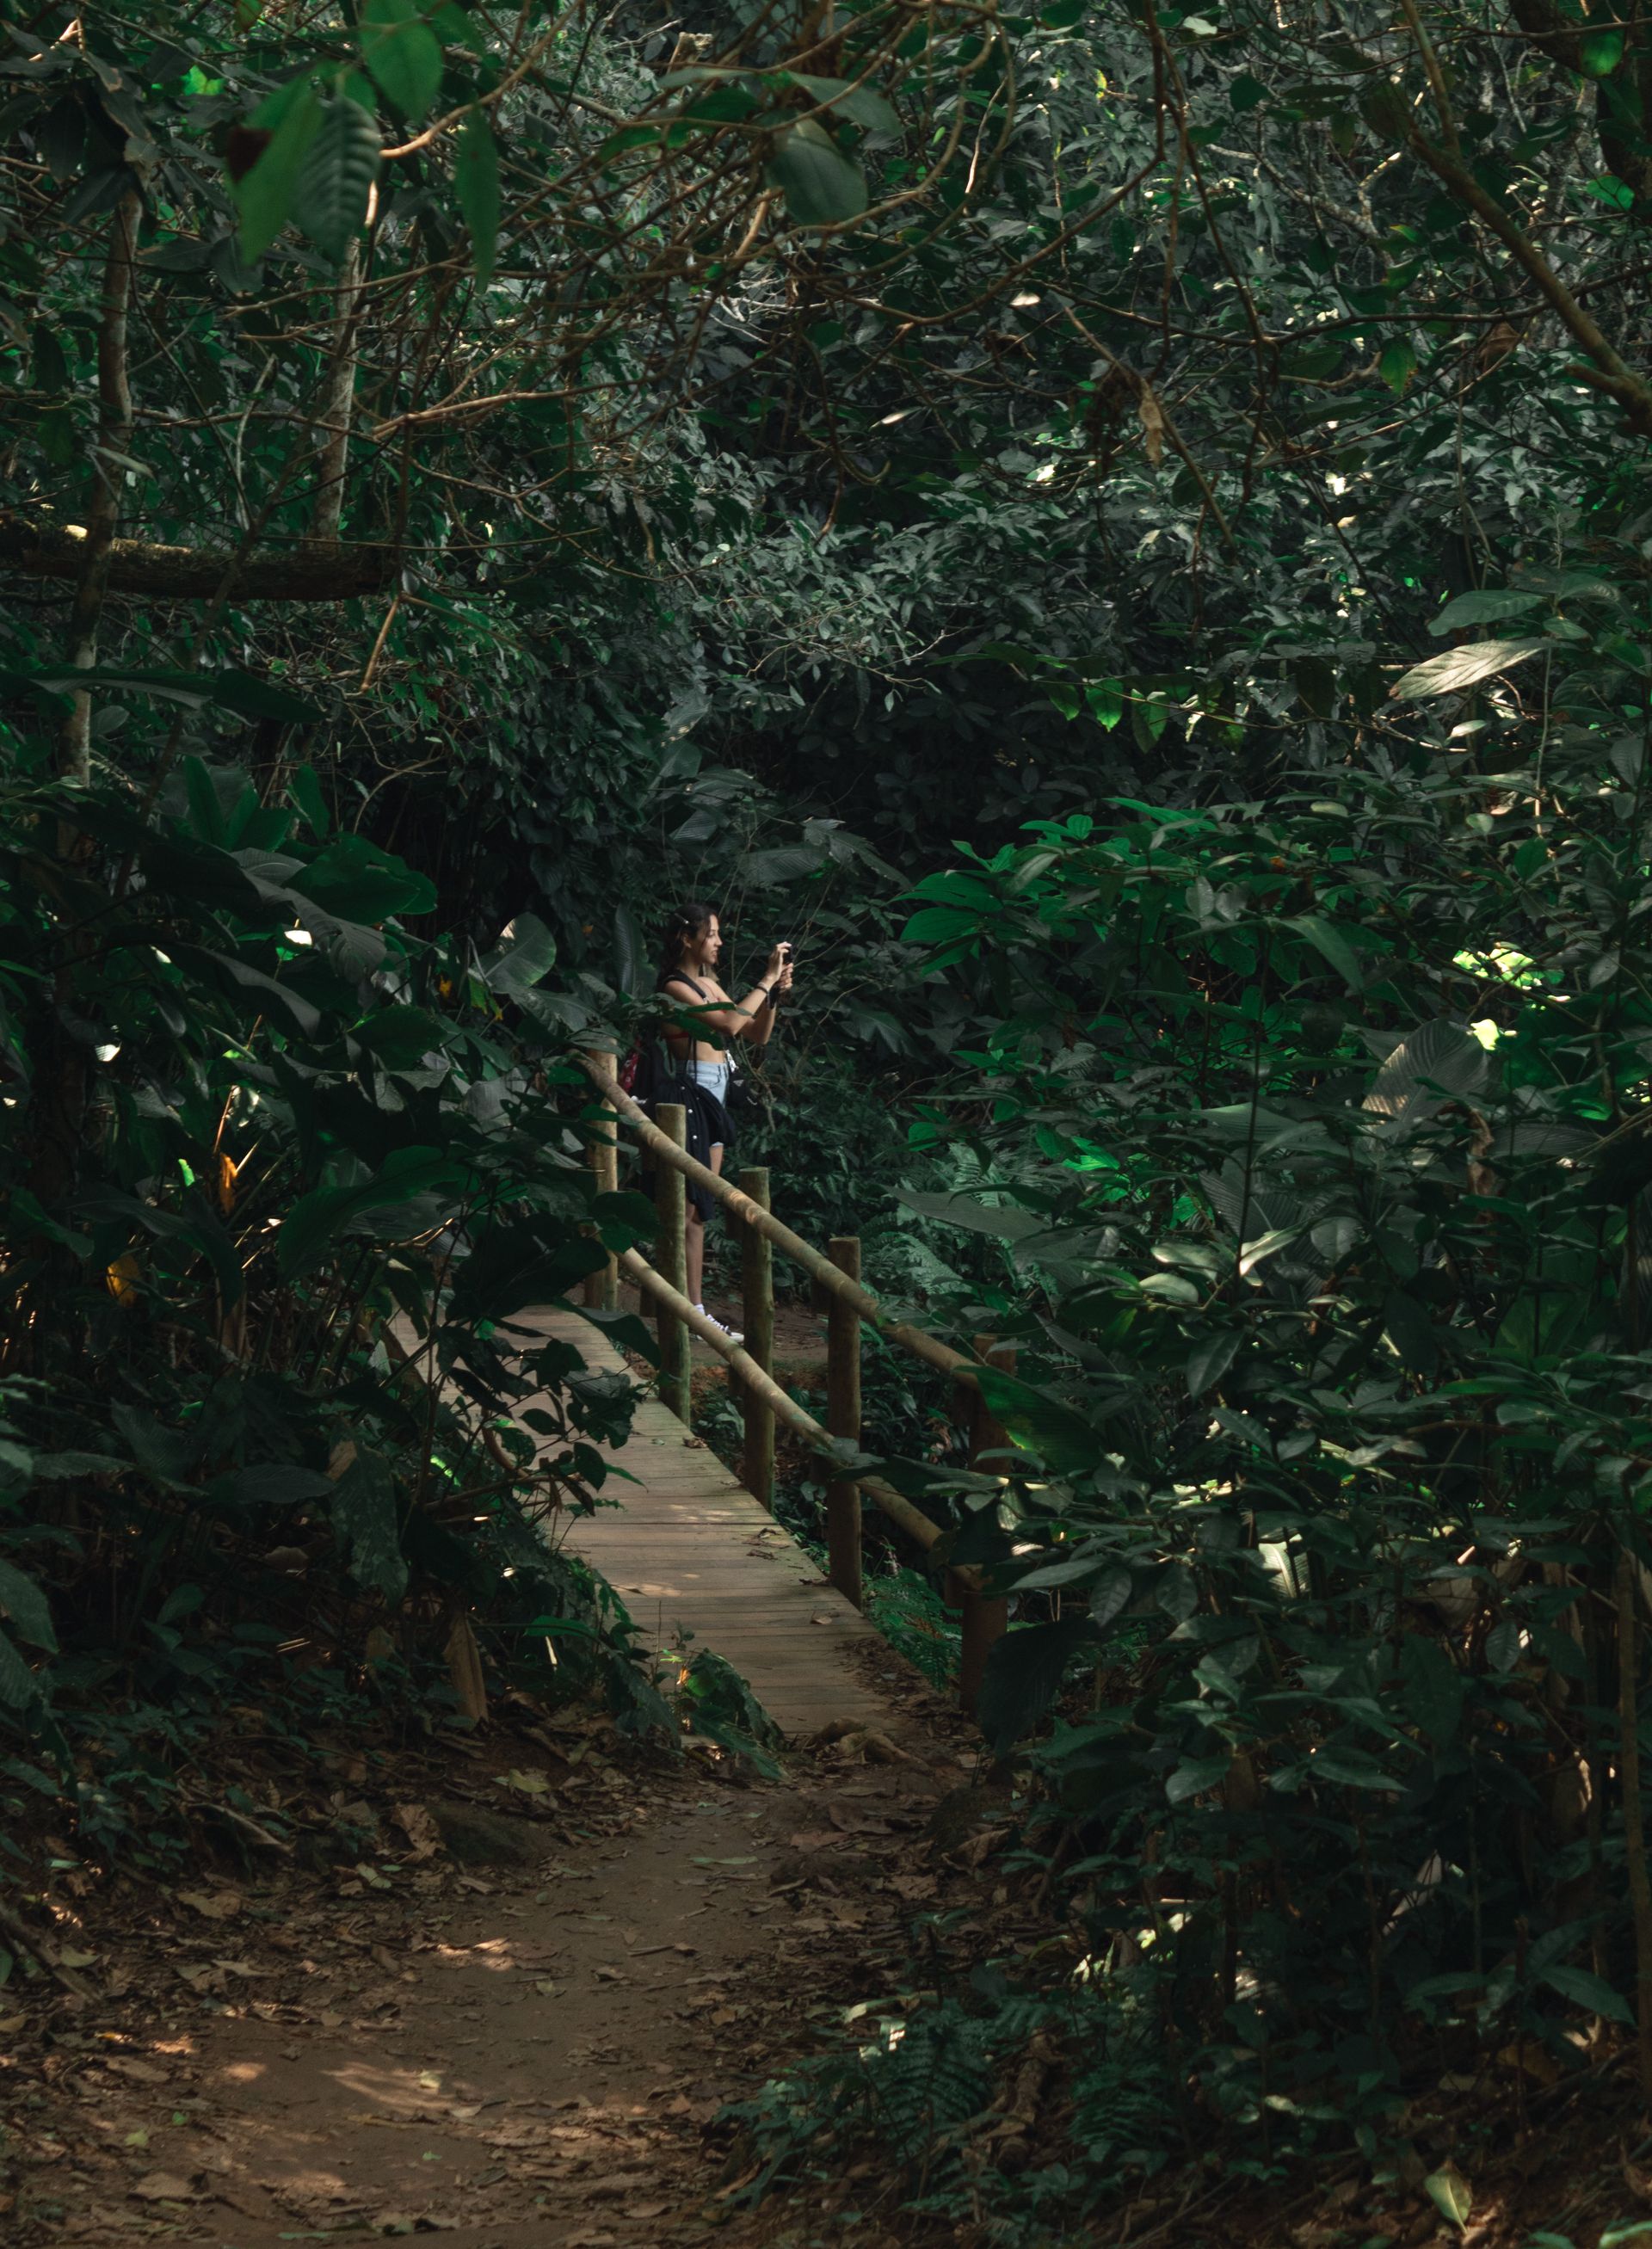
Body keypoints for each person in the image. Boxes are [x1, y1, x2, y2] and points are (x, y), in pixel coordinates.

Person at [649, 901, 792, 1340]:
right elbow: (729, 1025)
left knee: (702, 1209)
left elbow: (756, 1034)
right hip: (689, 1093)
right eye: (711, 934)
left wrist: (774, 995)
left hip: (714, 1095)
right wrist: (765, 978)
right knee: (691, 1207)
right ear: (687, 938)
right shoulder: (676, 987)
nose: (719, 942)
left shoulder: (710, 983)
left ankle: (692, 1310)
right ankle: (691, 1311)